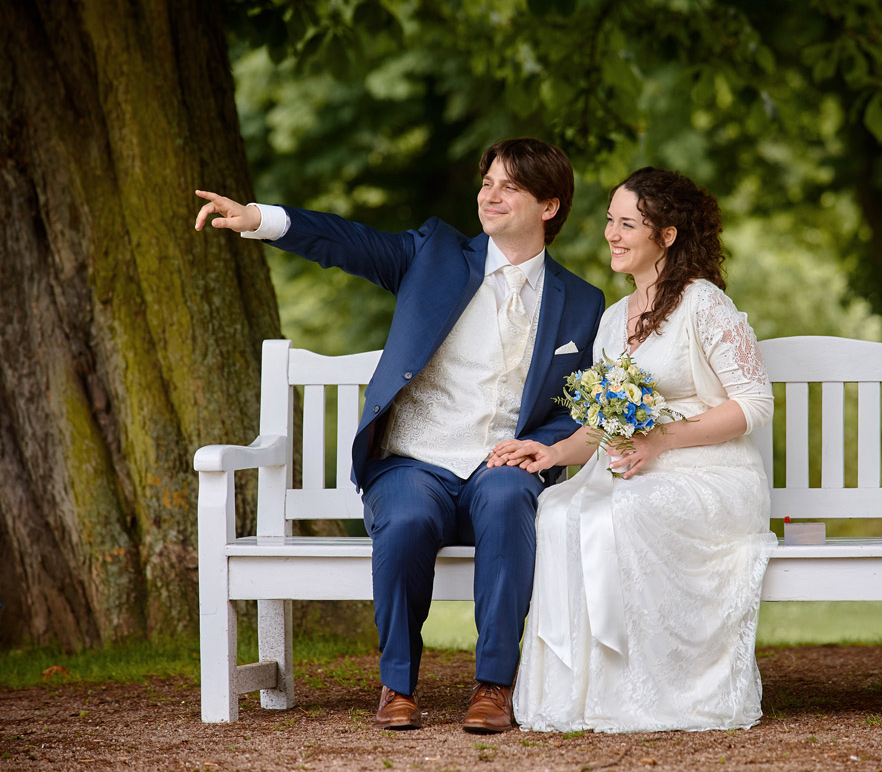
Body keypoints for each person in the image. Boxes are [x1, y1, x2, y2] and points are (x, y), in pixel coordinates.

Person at [194, 138, 605, 733]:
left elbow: (578, 403)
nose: (490, 195)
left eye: (509, 186)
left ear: (549, 206)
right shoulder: (435, 254)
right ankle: (397, 687)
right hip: (415, 464)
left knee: (512, 494)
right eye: (487, 181)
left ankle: (494, 686)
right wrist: (262, 220)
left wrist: (542, 447)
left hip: (500, 465)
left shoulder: (582, 303)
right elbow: (351, 243)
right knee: (409, 520)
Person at [489, 166, 777, 732]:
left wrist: (660, 439)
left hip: (712, 475)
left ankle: (657, 691)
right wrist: (551, 453)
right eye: (609, 222)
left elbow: (753, 405)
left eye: (628, 224)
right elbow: (602, 424)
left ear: (666, 235)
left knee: (625, 510)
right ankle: (584, 696)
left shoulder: (704, 303)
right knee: (557, 509)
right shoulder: (614, 319)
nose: (612, 235)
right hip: (634, 469)